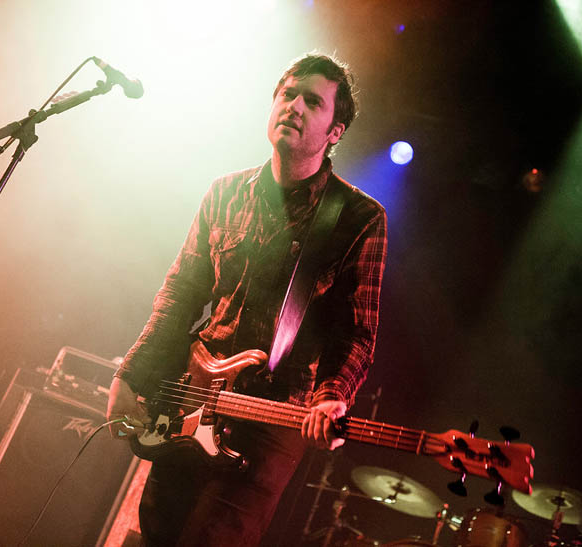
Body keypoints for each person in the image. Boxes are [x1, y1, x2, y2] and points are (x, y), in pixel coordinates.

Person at [106, 52, 387, 546]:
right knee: (154, 534)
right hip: (193, 394)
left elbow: (356, 329)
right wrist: (131, 371)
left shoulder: (359, 218)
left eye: (312, 101)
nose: (294, 106)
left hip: (273, 415)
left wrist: (333, 396)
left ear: (335, 130)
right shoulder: (225, 192)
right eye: (287, 94)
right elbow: (181, 291)